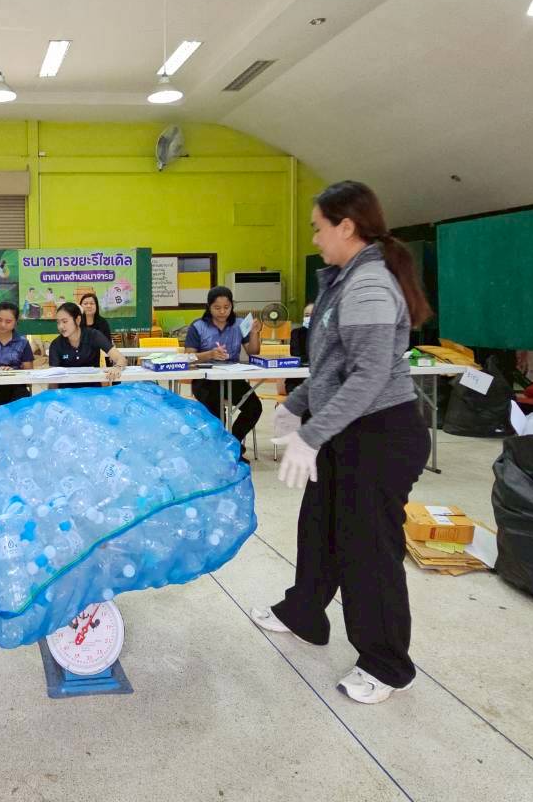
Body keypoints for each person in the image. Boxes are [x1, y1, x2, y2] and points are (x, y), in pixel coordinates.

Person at [254, 180, 433, 706]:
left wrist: (310, 435)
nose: (314, 239)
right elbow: (332, 367)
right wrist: (295, 404)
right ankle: (304, 613)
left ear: (346, 226)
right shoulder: (344, 281)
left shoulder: (370, 284)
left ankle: (387, 663)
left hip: (380, 433)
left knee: (367, 549)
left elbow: (370, 374)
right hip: (346, 427)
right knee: (319, 527)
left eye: (318, 228)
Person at [183, 286, 263, 454]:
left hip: (232, 377)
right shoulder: (198, 326)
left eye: (226, 307)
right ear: (209, 307)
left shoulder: (240, 324)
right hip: (205, 380)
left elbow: (253, 352)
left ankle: (232, 444)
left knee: (254, 407)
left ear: (232, 306)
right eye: (217, 307)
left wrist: (255, 333)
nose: (222, 312)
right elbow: (188, 357)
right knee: (218, 414)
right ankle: (220, 451)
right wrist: (210, 354)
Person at [48, 302, 128, 388]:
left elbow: (121, 359)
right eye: (58, 322)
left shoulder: (94, 335)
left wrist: (117, 367)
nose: (60, 326)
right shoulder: (56, 345)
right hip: (66, 393)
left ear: (78, 320)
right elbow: (53, 379)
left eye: (65, 321)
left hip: (93, 392)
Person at [281, 302, 313, 396]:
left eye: (313, 315)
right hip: (298, 379)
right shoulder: (296, 333)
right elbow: (296, 356)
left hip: (319, 380)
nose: (309, 318)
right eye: (307, 315)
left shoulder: (327, 334)